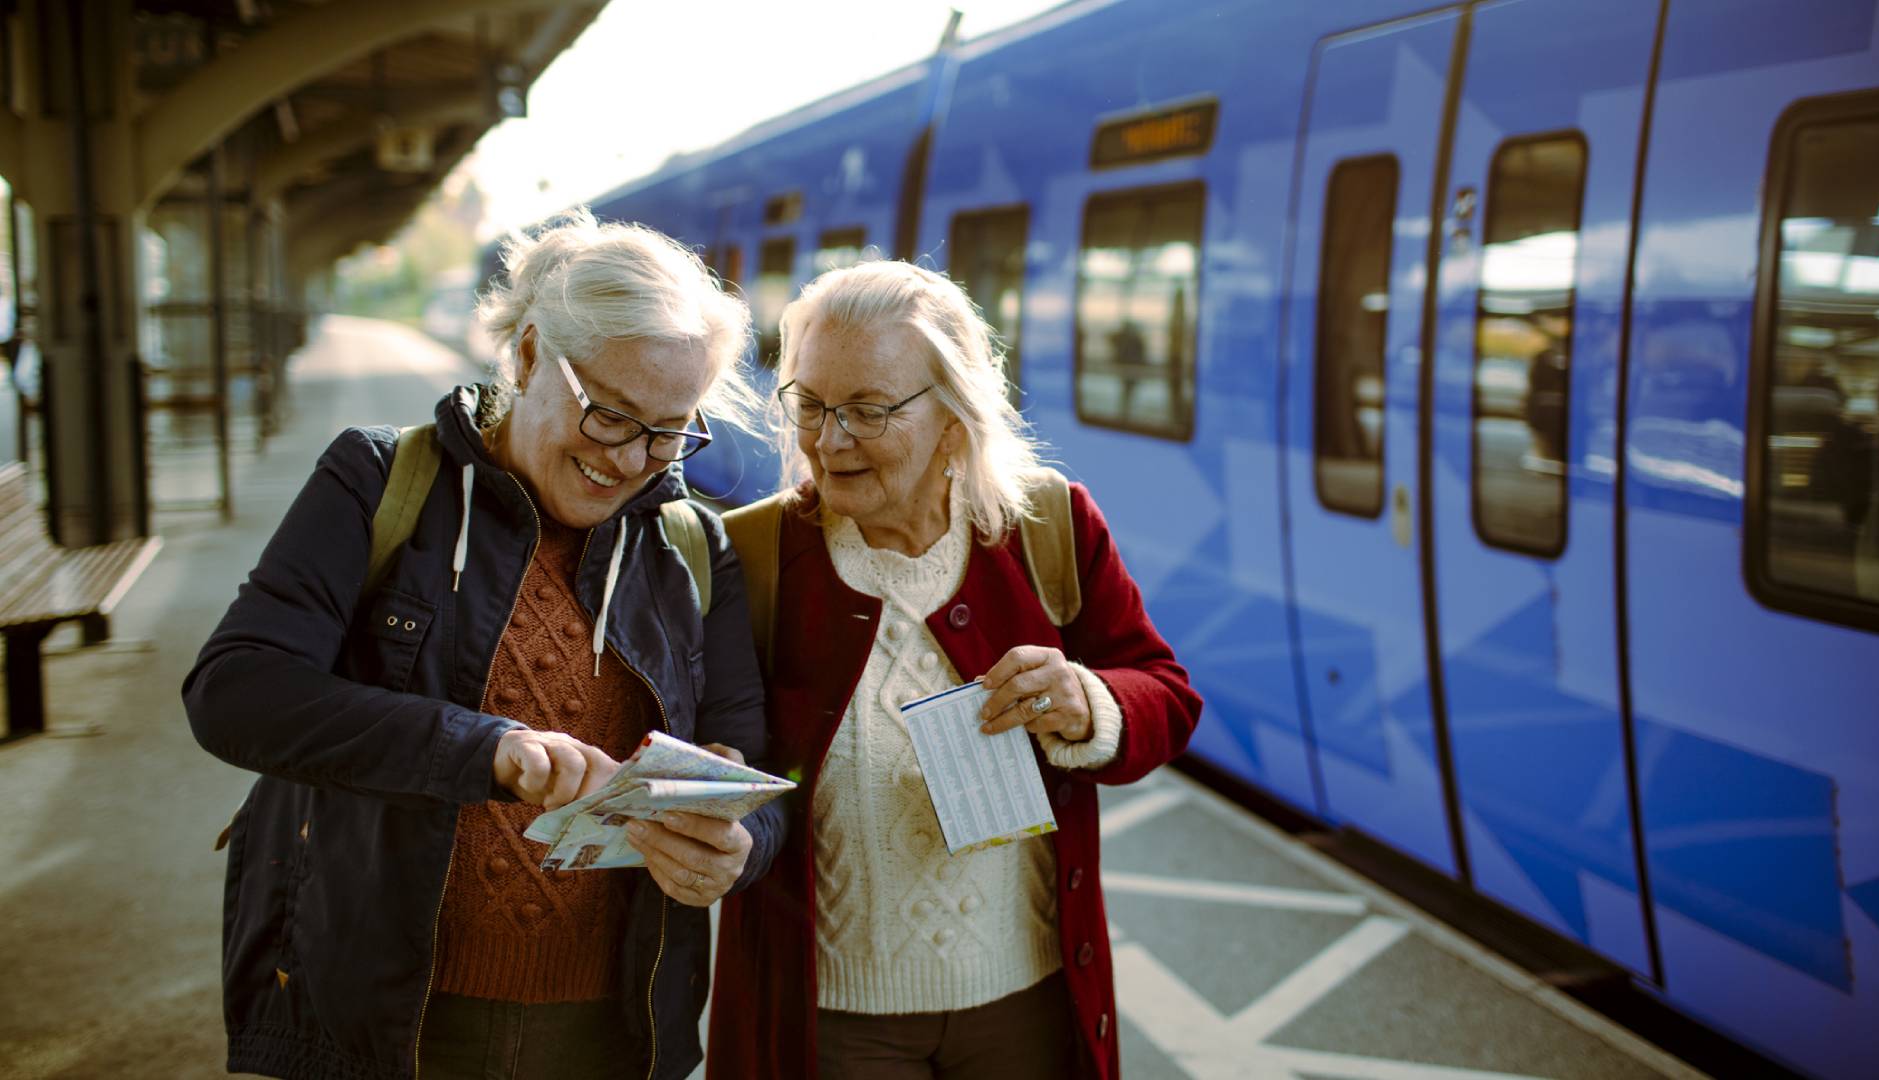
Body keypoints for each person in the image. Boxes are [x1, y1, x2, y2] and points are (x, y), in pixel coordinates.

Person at [182, 209, 785, 1080]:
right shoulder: (379, 482)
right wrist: (486, 748)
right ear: (531, 355)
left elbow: (749, 759)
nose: (631, 461)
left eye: (669, 432)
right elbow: (235, 692)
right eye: (610, 416)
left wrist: (740, 843)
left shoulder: (690, 547)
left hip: (606, 1031)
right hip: (389, 1020)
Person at [704, 261, 1203, 1079]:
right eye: (812, 404)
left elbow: (1166, 693)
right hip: (833, 1019)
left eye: (868, 410)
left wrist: (1090, 701)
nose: (829, 440)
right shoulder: (755, 554)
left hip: (1027, 1003)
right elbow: (730, 762)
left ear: (953, 413)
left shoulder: (1046, 525)